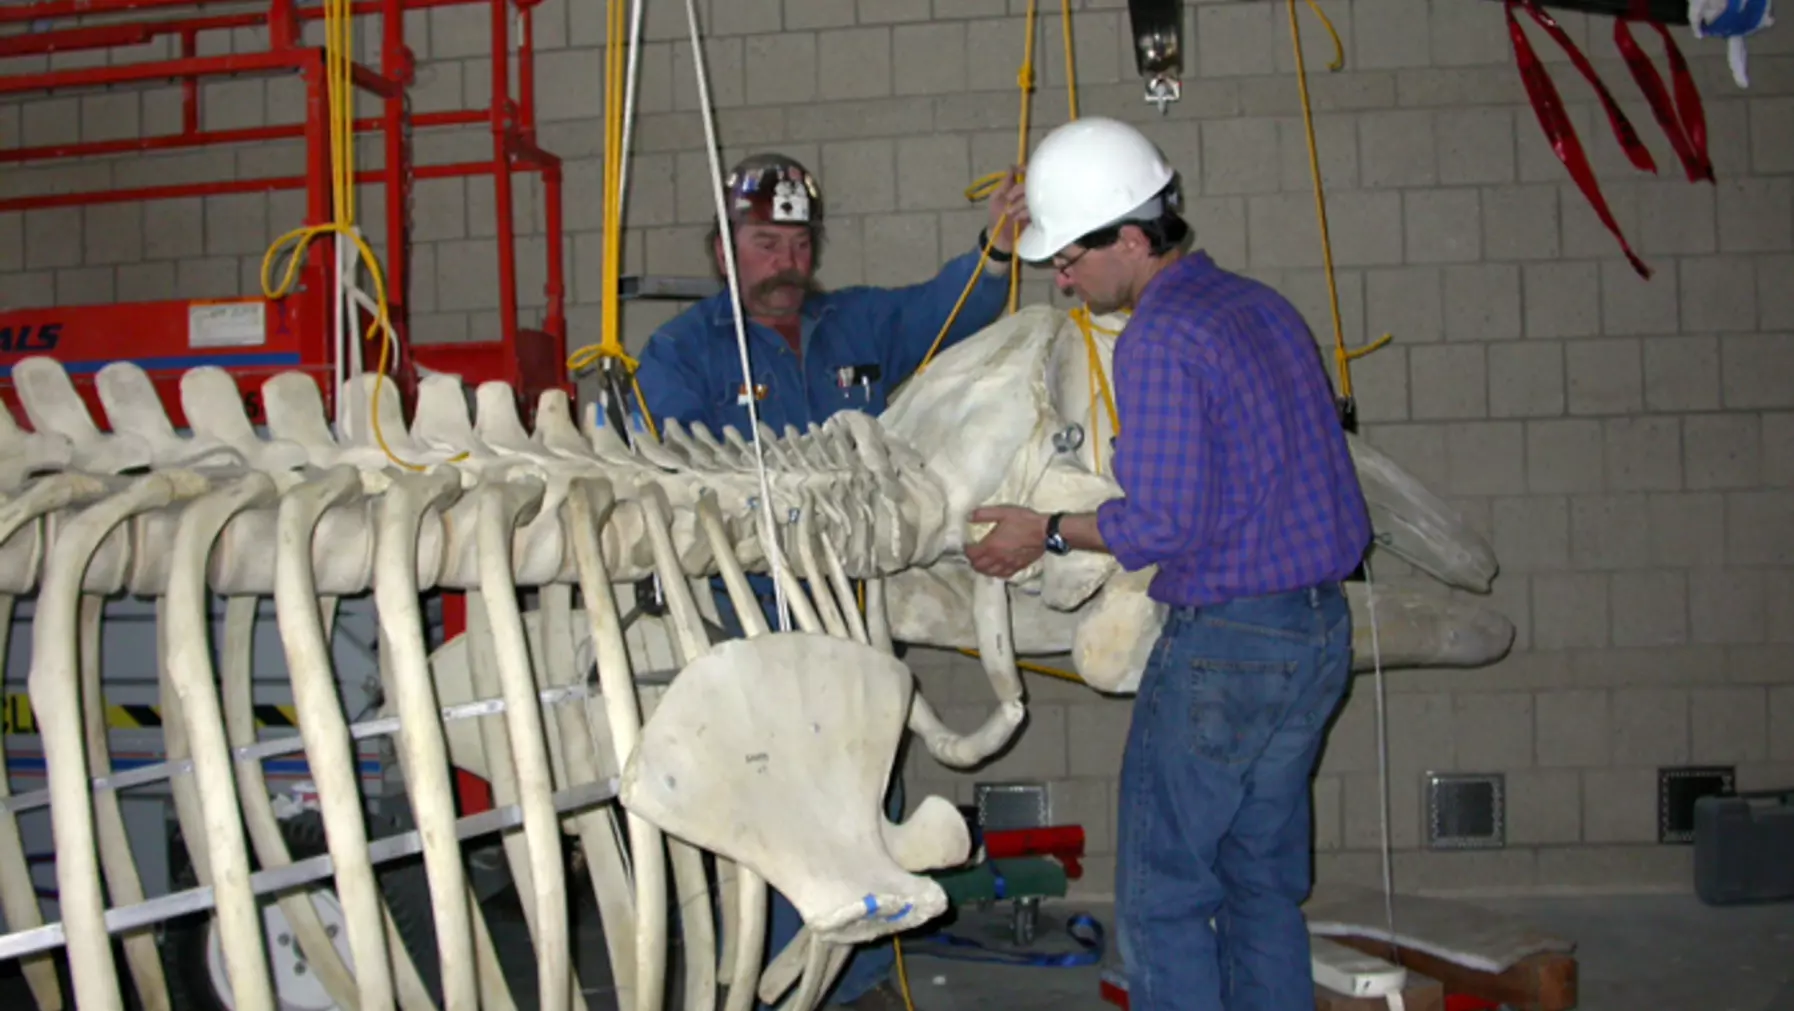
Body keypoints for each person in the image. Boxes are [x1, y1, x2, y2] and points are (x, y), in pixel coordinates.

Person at [963, 117, 1372, 1011]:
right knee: (1260, 881)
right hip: (1316, 631)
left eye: (1070, 256)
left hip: (1228, 647)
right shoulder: (1262, 305)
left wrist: (1050, 530)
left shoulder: (1159, 337)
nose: (1061, 277)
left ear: (1136, 238)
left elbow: (1164, 523)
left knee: (1163, 895)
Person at [632, 151, 1029, 1011]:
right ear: (723, 248)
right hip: (746, 632)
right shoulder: (679, 352)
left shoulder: (858, 323)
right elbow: (664, 479)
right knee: (775, 822)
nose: (787, 260)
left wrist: (997, 249)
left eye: (800, 242)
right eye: (766, 241)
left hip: (852, 623)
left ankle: (856, 987)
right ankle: (776, 992)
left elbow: (949, 309)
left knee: (864, 803)